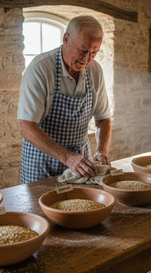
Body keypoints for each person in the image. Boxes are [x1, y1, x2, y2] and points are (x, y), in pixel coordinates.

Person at [17, 15, 112, 184]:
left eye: (94, 52)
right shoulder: (41, 69)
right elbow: (26, 127)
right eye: (83, 51)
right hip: (42, 164)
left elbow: (103, 119)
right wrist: (67, 157)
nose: (87, 59)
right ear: (66, 39)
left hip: (80, 163)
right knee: (39, 209)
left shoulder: (95, 71)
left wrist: (101, 151)